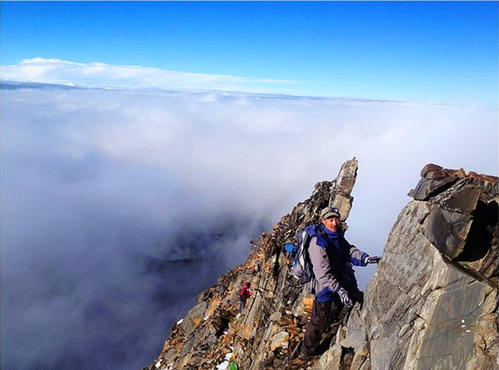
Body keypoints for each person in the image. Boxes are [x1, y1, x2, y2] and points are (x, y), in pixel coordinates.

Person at [298, 206, 380, 361]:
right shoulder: (317, 243)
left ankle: (334, 322)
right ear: (323, 221)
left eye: (336, 219)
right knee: (318, 320)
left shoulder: (336, 236)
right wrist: (340, 291)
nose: (334, 222)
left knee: (350, 300)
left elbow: (348, 250)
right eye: (330, 219)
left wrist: (365, 258)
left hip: (340, 278)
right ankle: (306, 352)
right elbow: (322, 275)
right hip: (324, 288)